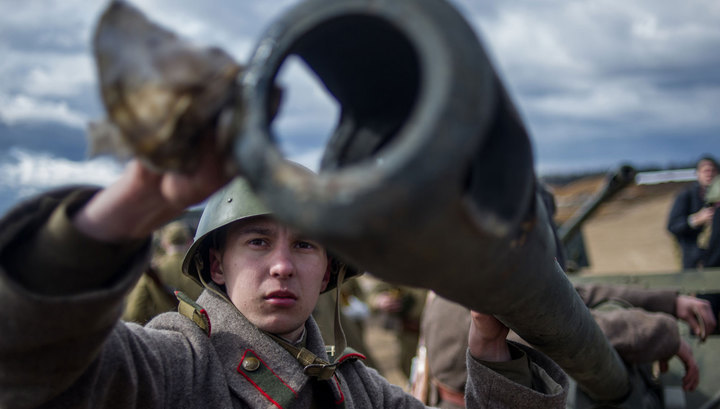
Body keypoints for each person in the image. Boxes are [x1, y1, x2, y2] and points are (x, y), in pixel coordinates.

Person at [0, 154, 568, 408]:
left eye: (304, 244)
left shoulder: (358, 392)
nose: (281, 264)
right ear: (216, 266)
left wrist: (490, 349)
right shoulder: (176, 367)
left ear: (326, 272)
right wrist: (121, 212)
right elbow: (26, 361)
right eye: (256, 242)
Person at [415, 286, 717, 409]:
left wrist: (669, 301)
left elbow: (574, 292)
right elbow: (567, 333)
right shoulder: (490, 292)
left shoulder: (452, 276)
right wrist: (664, 332)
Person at [123, 220, 204, 324]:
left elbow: (135, 313)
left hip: (165, 329)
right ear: (189, 241)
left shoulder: (153, 271)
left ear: (164, 243)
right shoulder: (200, 267)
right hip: (200, 327)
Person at [667, 155, 720, 269]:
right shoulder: (686, 195)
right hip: (694, 262)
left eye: (713, 170)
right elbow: (672, 226)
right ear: (697, 173)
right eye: (705, 170)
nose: (709, 173)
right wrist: (696, 220)